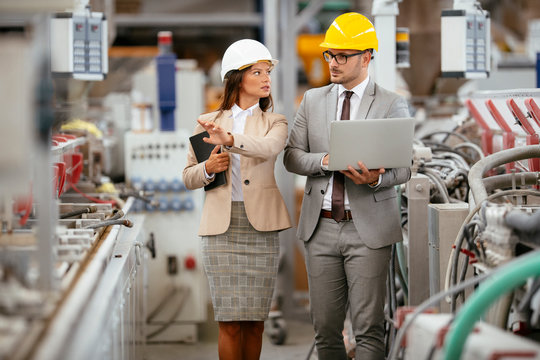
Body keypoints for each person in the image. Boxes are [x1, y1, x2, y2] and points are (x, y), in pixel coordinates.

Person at [283, 12, 411, 360]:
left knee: (369, 329)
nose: (333, 63)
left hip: (367, 231)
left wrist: (376, 179)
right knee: (325, 330)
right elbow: (292, 156)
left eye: (343, 55)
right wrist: (325, 161)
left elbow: (404, 169)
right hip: (320, 228)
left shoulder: (390, 103)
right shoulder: (312, 100)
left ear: (367, 56)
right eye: (330, 54)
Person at [182, 39, 292, 360]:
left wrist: (229, 140)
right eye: (257, 71)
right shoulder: (207, 122)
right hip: (221, 231)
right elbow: (188, 177)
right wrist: (207, 168)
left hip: (261, 230)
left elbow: (269, 148)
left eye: (267, 71)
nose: (266, 78)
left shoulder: (276, 122)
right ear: (236, 77)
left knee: (255, 323)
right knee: (229, 323)